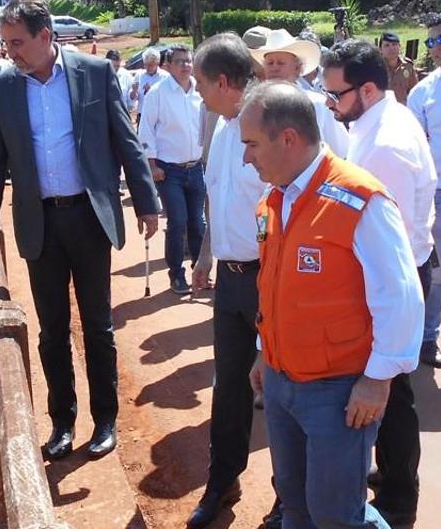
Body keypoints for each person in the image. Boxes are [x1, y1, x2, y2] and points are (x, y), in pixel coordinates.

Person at [0, 0, 160, 461]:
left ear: (45, 36)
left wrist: (146, 202)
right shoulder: (2, 90)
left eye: (17, 42)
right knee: (52, 329)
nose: (9, 50)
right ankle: (62, 422)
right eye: (6, 41)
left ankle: (105, 421)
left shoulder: (94, 75)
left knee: (98, 327)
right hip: (39, 223)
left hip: (89, 217)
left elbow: (125, 141)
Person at [245, 80, 423, 529]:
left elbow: (400, 295)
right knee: (296, 504)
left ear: (288, 138)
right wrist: (265, 352)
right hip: (283, 383)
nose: (247, 156)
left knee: (337, 515)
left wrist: (377, 379)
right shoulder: (274, 198)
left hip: (339, 392)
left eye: (252, 144)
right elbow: (276, 288)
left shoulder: (360, 199)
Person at [323, 38, 436, 529]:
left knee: (390, 389)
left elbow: (388, 237)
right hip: (397, 270)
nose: (331, 104)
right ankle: (390, 475)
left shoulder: (385, 144)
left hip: (395, 277)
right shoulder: (379, 119)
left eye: (337, 95)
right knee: (390, 390)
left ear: (366, 90)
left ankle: (398, 497)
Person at [186, 33, 270, 529]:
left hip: (270, 279)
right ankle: (223, 481)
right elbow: (217, 200)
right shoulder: (221, 129)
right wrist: (204, 256)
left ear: (222, 81)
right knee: (229, 389)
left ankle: (288, 498)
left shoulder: (269, 125)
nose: (197, 93)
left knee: (280, 389)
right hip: (231, 282)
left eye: (200, 84)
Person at [408, 11, 441, 369]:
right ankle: (427, 340)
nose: (435, 47)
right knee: (438, 277)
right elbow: (414, 151)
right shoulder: (423, 93)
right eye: (430, 41)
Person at [137, 45, 205, 294]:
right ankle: (176, 275)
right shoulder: (158, 93)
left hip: (196, 167)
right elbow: (146, 131)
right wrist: (152, 165)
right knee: (178, 221)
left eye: (188, 61)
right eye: (180, 62)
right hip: (168, 171)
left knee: (198, 223)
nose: (186, 65)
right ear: (168, 65)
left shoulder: (201, 90)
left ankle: (200, 269)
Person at [249, 28, 350, 157]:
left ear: (297, 68)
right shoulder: (256, 107)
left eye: (280, 63)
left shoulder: (319, 104)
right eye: (270, 63)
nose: (274, 68)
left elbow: (342, 152)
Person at [130, 47, 170, 118]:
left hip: (159, 115)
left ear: (157, 63)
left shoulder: (165, 77)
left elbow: (168, 98)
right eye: (145, 64)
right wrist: (134, 91)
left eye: (151, 65)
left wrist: (151, 91)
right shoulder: (139, 75)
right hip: (142, 114)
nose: (147, 67)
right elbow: (133, 98)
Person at [380, 32, 418, 105]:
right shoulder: (376, 68)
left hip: (403, 110)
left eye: (394, 44)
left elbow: (414, 91)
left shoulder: (407, 66)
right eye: (387, 45)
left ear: (400, 46)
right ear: (381, 49)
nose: (391, 48)